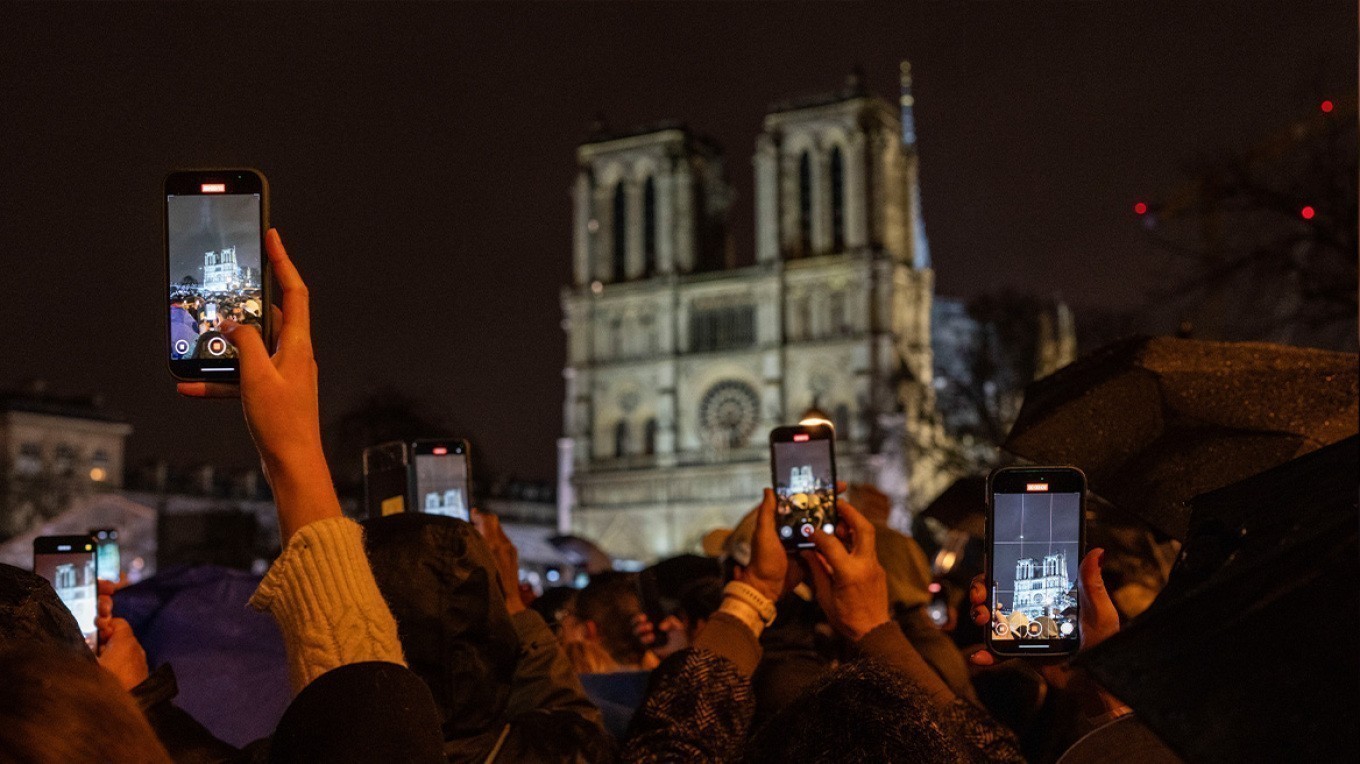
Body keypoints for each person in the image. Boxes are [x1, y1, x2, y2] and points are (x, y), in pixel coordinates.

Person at [623, 489, 1024, 762]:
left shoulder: (795, 683)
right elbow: (988, 751)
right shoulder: (894, 667)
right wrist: (872, 626)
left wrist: (752, 596)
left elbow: (668, 750)